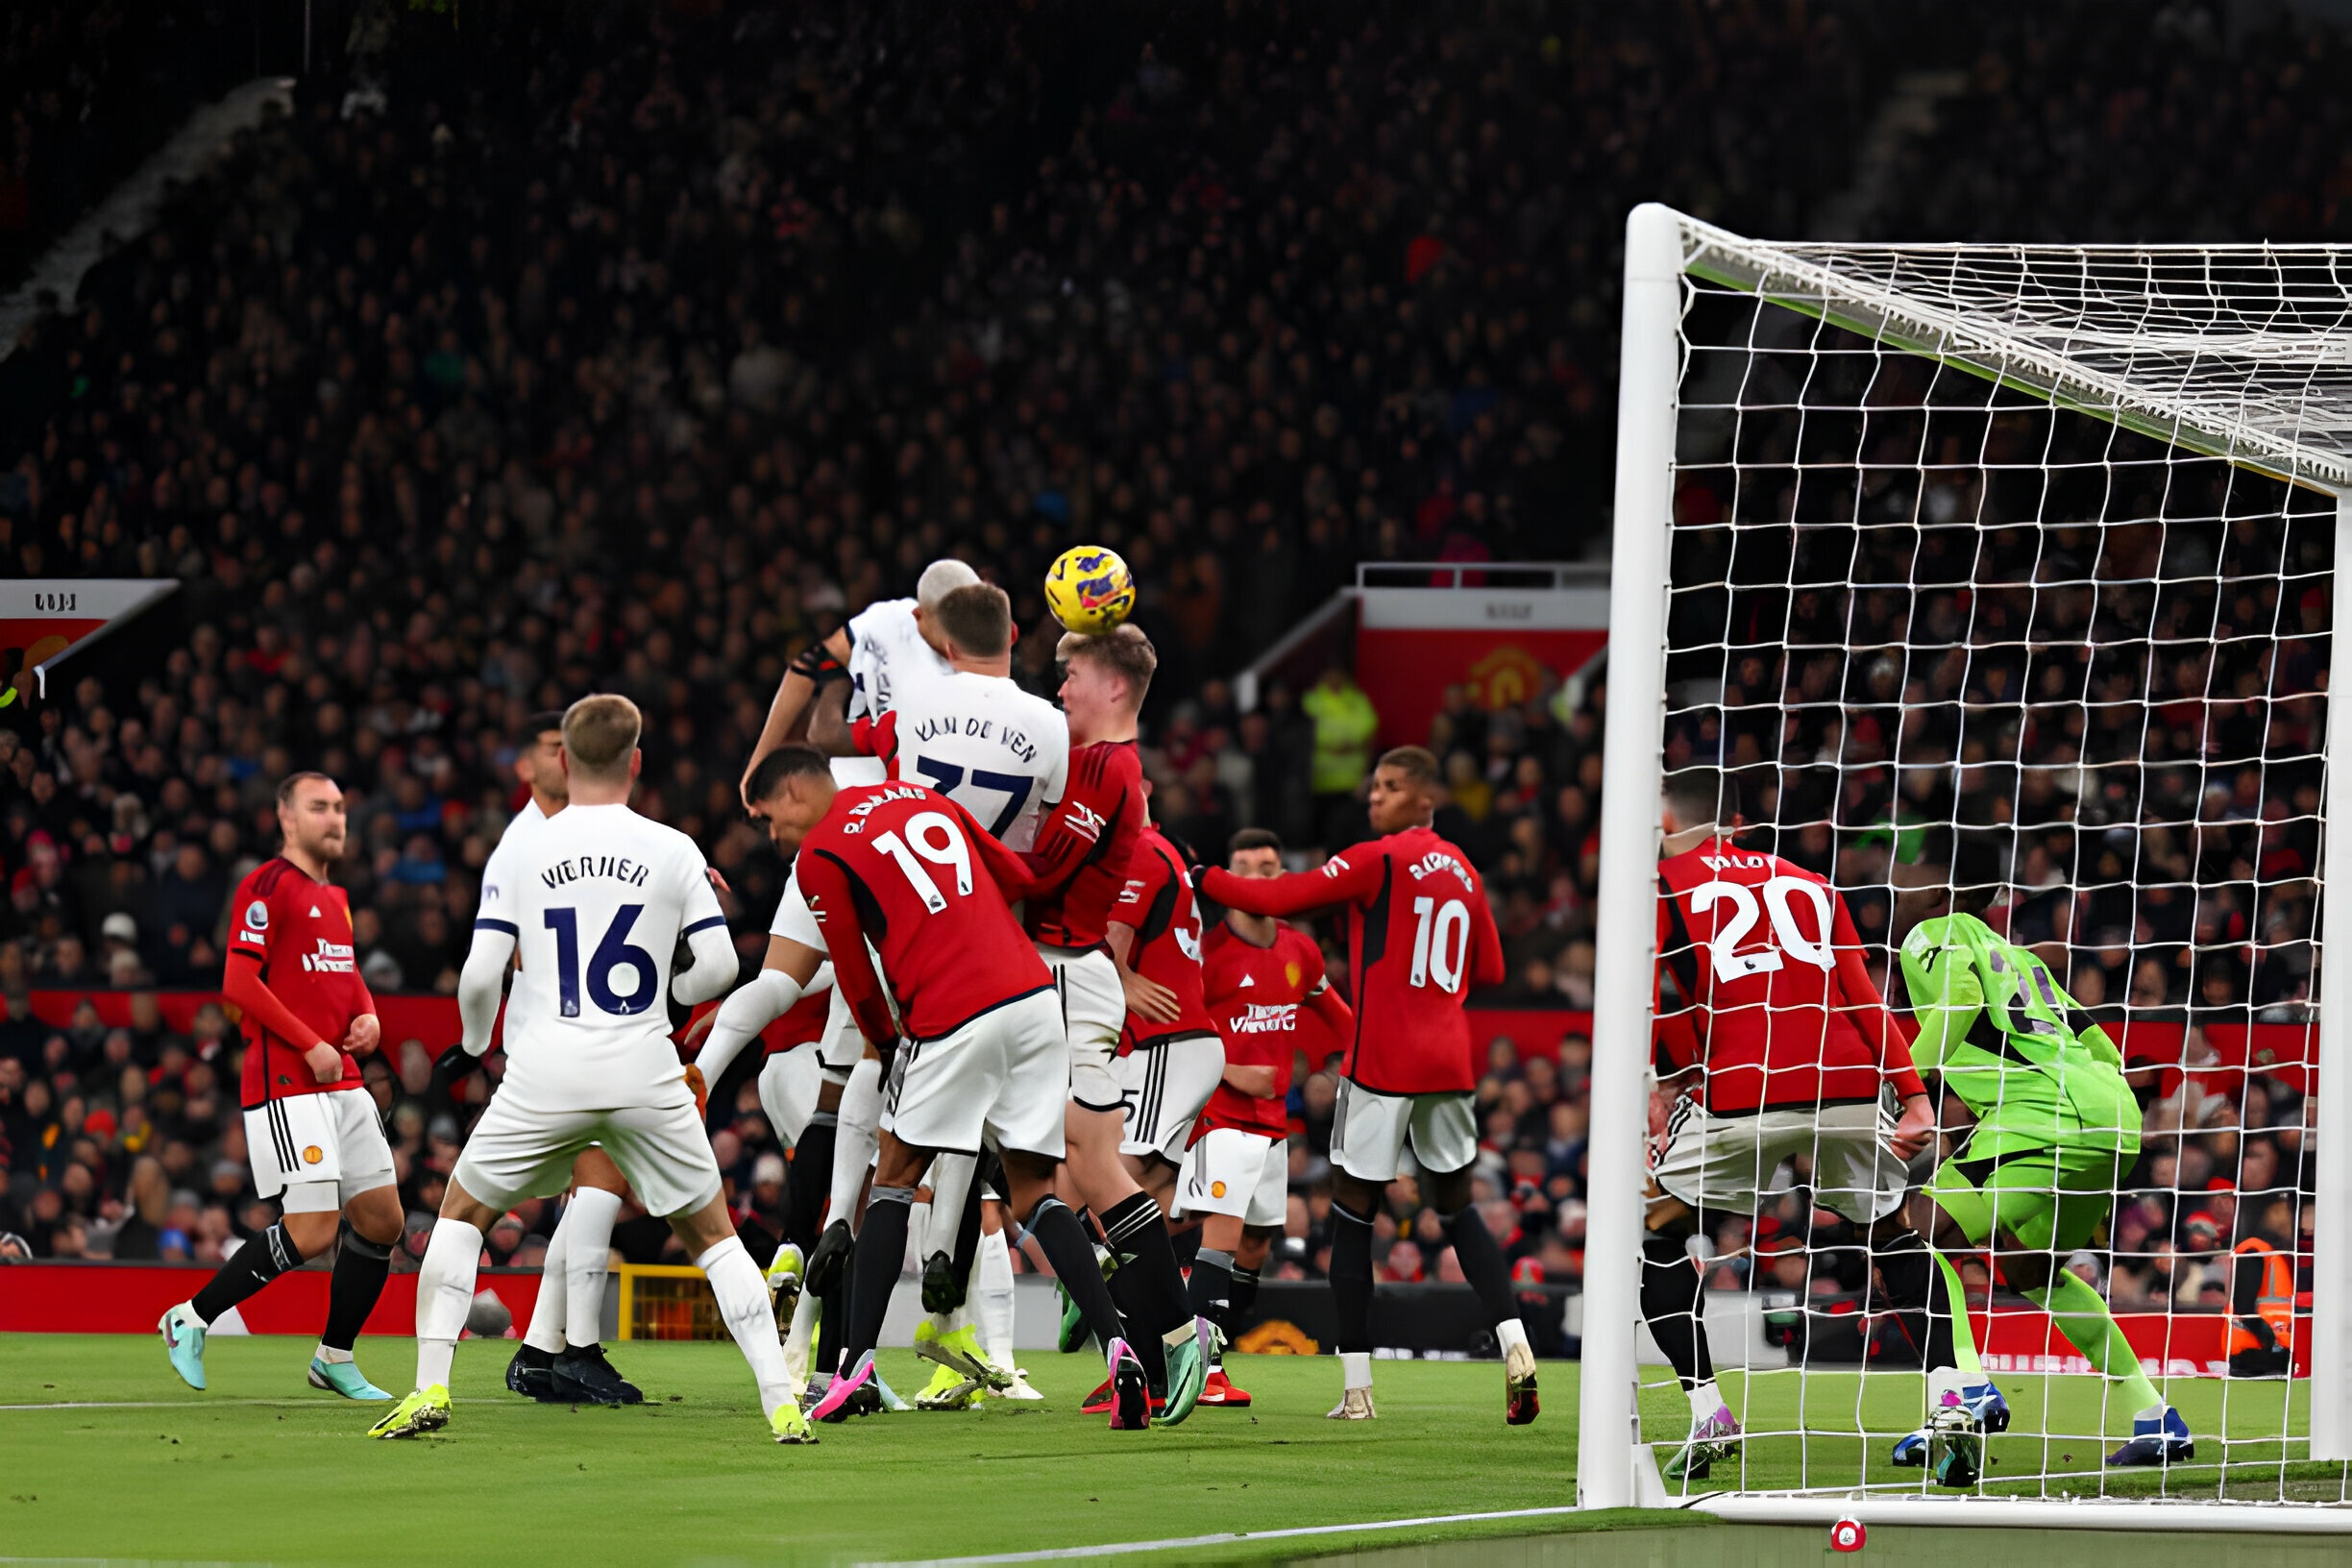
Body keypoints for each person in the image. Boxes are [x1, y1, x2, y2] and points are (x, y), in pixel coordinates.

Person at [367, 696, 806, 1443]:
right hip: (643, 1066)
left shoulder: (521, 850)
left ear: (564, 762)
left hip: (546, 1072)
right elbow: (725, 965)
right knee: (715, 1238)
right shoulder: (671, 847)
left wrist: (476, 1043)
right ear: (636, 762)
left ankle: (430, 1389)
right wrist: (669, 995)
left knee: (462, 1217)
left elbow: (479, 977)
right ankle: (781, 1402)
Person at [735, 746, 1149, 1428]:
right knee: (1034, 1192)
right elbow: (1019, 876)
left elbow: (855, 977)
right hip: (1035, 1000)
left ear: (793, 793)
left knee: (893, 1174)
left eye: (766, 818)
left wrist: (889, 1043)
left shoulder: (820, 857)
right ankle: (1120, 1352)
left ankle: (853, 1367)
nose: (770, 835)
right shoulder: (922, 796)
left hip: (953, 1012)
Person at [1195, 746, 1532, 1424]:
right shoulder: (1464, 869)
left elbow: (1282, 896)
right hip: (1450, 1063)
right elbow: (1491, 966)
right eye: (1375, 785)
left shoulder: (1379, 857)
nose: (1374, 796)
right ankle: (1516, 1347)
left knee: (1352, 1217)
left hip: (1381, 1063)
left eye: (1391, 786)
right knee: (1459, 1209)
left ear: (1424, 796)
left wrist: (1199, 872)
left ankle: (1357, 1391)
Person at [805, 579, 1066, 1408]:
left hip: (901, 918)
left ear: (942, 643)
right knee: (1003, 1171)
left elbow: (855, 739)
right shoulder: (1053, 725)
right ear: (1016, 631)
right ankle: (968, 1315)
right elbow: (1036, 850)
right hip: (1000, 938)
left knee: (863, 1102)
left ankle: (834, 1300)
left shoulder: (913, 706)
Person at [1642, 767, 1936, 1481]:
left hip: (1745, 1091)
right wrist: (1916, 1094)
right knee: (1893, 1230)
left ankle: (1710, 1412)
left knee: (1655, 1234)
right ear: (1738, 824)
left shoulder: (1663, 883)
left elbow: (1660, 999)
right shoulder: (1810, 882)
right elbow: (1865, 997)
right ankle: (1953, 1397)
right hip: (1850, 1085)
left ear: (1670, 821)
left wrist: (1659, 1086)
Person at [737, 557, 977, 1405]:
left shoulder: (875, 627)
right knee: (913, 1136)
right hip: (913, 853)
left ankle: (807, 1297)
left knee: (842, 1097)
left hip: (848, 814)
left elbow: (808, 669)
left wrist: (761, 766)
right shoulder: (964, 675)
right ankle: (913, 1340)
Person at [1894, 909, 2190, 1479]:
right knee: (2034, 1271)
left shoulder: (1931, 942)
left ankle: (1963, 1389)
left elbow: (1956, 995)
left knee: (1917, 1235)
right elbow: (2103, 1048)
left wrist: (1907, 1082)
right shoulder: (2026, 965)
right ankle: (2154, 1416)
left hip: (2043, 1116)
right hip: (2111, 1116)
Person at [1021, 625, 1215, 1424]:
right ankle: (1142, 1337)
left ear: (1112, 687)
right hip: (1060, 977)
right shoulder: (1102, 766)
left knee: (1093, 1170)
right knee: (1070, 1171)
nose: (1060, 688)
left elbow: (1041, 873)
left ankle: (1170, 1332)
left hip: (1067, 975)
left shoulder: (1108, 768)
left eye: (1071, 675)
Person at [159, 772, 401, 1402]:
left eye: (342, 807)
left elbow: (342, 975)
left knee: (381, 1220)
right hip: (290, 1081)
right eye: (319, 807)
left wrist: (367, 1013)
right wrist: (311, 1043)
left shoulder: (336, 898)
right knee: (316, 1230)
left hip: (343, 1078)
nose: (335, 818)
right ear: (287, 818)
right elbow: (239, 984)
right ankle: (190, 1318)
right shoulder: (265, 887)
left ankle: (334, 1358)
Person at [489, 711, 646, 1407]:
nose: (565, 759)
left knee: (589, 1193)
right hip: (558, 1036)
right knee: (601, 1183)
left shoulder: (574, 838)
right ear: (531, 766)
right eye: (552, 751)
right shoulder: (528, 846)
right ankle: (576, 1349)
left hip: (567, 1033)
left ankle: (540, 1351)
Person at [1183, 827, 1355, 1407]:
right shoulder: (1204, 952)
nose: (1258, 877)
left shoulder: (1300, 952)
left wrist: (1346, 1064)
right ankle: (1199, 1371)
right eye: (1245, 866)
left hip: (1274, 1125)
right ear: (1227, 877)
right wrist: (1229, 1069)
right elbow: (1175, 1033)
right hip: (1220, 1116)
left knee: (1256, 1245)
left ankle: (1208, 1356)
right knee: (1222, 1239)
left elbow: (1341, 1020)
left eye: (1269, 867)